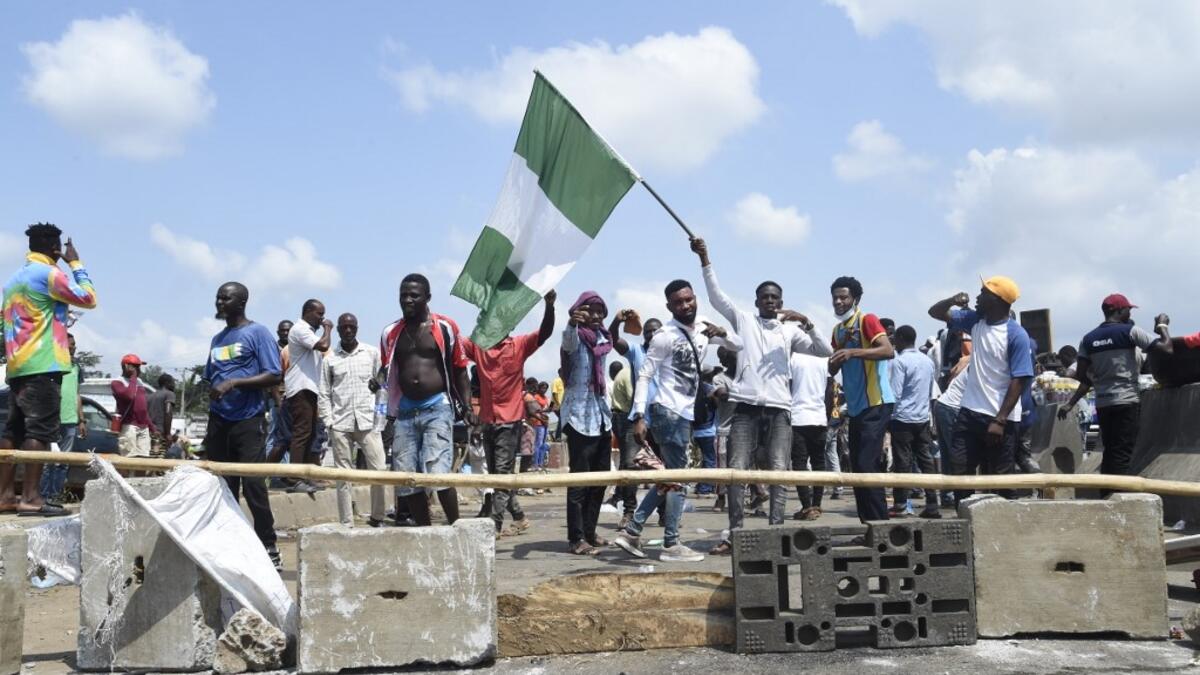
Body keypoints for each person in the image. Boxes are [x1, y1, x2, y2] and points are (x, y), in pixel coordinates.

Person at [691, 237, 831, 555]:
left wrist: (807, 323)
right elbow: (717, 297)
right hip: (746, 408)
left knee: (779, 471)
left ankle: (777, 534)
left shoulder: (790, 331)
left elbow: (825, 350)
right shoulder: (744, 321)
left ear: (781, 302)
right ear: (756, 302)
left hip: (781, 410)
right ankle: (735, 535)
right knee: (738, 471)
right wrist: (705, 260)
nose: (770, 301)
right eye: (765, 297)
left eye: (775, 298)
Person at [614, 279, 740, 563]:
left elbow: (739, 343)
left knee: (670, 478)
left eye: (689, 300)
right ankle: (671, 543)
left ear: (695, 299)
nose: (685, 306)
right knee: (678, 480)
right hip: (667, 411)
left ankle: (632, 531)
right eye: (678, 302)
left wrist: (723, 333)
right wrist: (639, 415)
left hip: (683, 413)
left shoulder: (706, 327)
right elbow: (645, 375)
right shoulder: (664, 336)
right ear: (669, 306)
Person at [2, 224, 96, 516]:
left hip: (17, 367)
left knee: (13, 432)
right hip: (43, 365)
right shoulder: (50, 274)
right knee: (39, 432)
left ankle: (4, 496)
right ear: (55, 248)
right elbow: (88, 299)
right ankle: (31, 497)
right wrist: (76, 263)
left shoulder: (13, 280)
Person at [380, 274, 476, 527]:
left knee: (438, 473)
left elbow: (459, 369)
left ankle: (457, 528)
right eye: (403, 295)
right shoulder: (390, 333)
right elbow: (388, 371)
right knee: (406, 478)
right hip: (405, 411)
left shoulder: (445, 327)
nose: (408, 300)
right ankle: (426, 532)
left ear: (428, 298)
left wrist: (466, 406)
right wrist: (387, 414)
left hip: (437, 407)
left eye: (414, 295)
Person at [928, 278, 1035, 503]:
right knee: (959, 472)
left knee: (1000, 478)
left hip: (1000, 418)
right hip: (969, 412)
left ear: (996, 300)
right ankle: (965, 521)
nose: (977, 297)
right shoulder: (975, 321)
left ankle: (1003, 527)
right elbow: (935, 311)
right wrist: (952, 300)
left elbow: (1020, 379)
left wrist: (1000, 420)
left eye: (982, 293)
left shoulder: (1016, 335)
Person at [460, 290, 554, 538]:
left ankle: (495, 526)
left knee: (500, 476)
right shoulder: (479, 348)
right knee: (498, 477)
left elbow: (544, 334)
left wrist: (550, 306)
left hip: (510, 421)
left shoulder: (519, 345)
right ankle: (520, 517)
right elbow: (456, 341)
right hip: (488, 421)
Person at [203, 281, 283, 568]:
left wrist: (234, 382)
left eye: (225, 298)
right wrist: (215, 388)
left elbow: (274, 374)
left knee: (253, 484)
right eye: (217, 297)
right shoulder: (217, 339)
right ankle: (230, 547)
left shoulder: (257, 333)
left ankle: (268, 544)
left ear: (241, 302)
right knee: (223, 486)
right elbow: (209, 376)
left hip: (248, 421)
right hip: (219, 421)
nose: (219, 302)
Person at [1058, 294, 1166, 489]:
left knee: (1109, 450)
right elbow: (1167, 348)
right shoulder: (1130, 332)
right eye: (1128, 309)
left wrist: (1097, 382)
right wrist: (1162, 326)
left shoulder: (1088, 339)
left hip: (1104, 404)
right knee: (1123, 451)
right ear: (1118, 311)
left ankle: (1106, 494)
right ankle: (1118, 497)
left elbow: (1081, 375)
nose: (1130, 312)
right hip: (1127, 400)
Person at [828, 276, 896, 524]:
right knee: (857, 468)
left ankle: (880, 527)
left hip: (876, 403)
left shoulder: (867, 320)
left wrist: (852, 352)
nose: (838, 301)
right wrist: (832, 363)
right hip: (855, 408)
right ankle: (867, 524)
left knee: (867, 466)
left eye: (843, 297)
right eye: (835, 297)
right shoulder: (838, 331)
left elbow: (888, 350)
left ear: (855, 299)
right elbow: (835, 365)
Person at [318, 312, 387, 527]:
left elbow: (383, 385)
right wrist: (329, 421)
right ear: (338, 330)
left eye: (352, 327)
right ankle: (347, 521)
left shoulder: (371, 353)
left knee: (380, 470)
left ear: (357, 328)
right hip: (340, 422)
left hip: (368, 421)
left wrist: (380, 416)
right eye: (344, 327)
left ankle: (377, 517)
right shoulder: (330, 359)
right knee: (343, 475)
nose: (348, 331)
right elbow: (324, 392)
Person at [560, 290, 615, 555]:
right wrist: (571, 322)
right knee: (580, 481)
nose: (594, 315)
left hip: (601, 414)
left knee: (600, 479)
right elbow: (568, 342)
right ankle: (576, 537)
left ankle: (591, 532)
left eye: (599, 310)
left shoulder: (604, 337)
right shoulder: (574, 336)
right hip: (579, 415)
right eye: (589, 310)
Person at [609, 314, 663, 525]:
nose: (651, 334)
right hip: (637, 418)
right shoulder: (636, 351)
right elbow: (614, 340)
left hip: (663, 419)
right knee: (631, 466)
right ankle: (629, 511)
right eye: (648, 331)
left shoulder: (669, 353)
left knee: (665, 468)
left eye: (656, 331)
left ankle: (665, 512)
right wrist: (617, 321)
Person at [888, 325, 940, 518]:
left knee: (902, 462)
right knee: (926, 460)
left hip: (902, 418)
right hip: (921, 417)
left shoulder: (899, 362)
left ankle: (900, 504)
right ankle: (932, 503)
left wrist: (888, 418)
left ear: (901, 338)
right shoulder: (927, 361)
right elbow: (928, 391)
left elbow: (895, 393)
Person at [286, 299, 333, 491]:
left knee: (311, 433)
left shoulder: (308, 332)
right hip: (301, 388)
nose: (322, 318)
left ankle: (306, 476)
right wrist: (328, 328)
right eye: (319, 314)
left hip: (310, 388)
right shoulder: (300, 329)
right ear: (307, 312)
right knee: (302, 433)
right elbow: (324, 345)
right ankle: (294, 478)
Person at [38, 332, 84, 505]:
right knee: (48, 461)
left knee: (63, 461)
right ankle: (42, 496)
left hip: (70, 421)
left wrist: (81, 419)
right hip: (52, 420)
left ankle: (55, 496)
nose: (74, 348)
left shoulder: (77, 367)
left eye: (74, 345)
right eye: (71, 345)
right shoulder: (52, 364)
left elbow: (77, 394)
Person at [789, 352, 832, 521]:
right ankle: (817, 504)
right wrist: (826, 414)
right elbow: (830, 390)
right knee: (819, 463)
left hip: (799, 416)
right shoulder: (823, 359)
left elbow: (788, 386)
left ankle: (807, 506)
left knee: (800, 464)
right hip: (818, 418)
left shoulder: (792, 358)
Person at [112, 355, 156, 460]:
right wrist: (133, 378)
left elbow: (143, 408)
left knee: (143, 460)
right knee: (128, 459)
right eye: (135, 366)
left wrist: (152, 427)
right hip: (129, 426)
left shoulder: (139, 382)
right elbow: (129, 396)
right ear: (126, 366)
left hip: (143, 427)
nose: (138, 370)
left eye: (138, 367)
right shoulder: (117, 382)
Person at [146, 373, 177, 457]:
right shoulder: (169, 394)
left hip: (148, 433)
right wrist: (168, 434)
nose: (174, 385)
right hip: (160, 433)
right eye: (173, 382)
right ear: (167, 383)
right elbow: (168, 411)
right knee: (158, 459)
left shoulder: (149, 396)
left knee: (150, 458)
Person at [550, 375, 565, 441]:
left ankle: (554, 434)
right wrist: (558, 404)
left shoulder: (564, 381)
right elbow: (554, 393)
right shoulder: (557, 381)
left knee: (564, 420)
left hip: (562, 404)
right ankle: (557, 437)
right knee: (562, 419)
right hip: (557, 404)